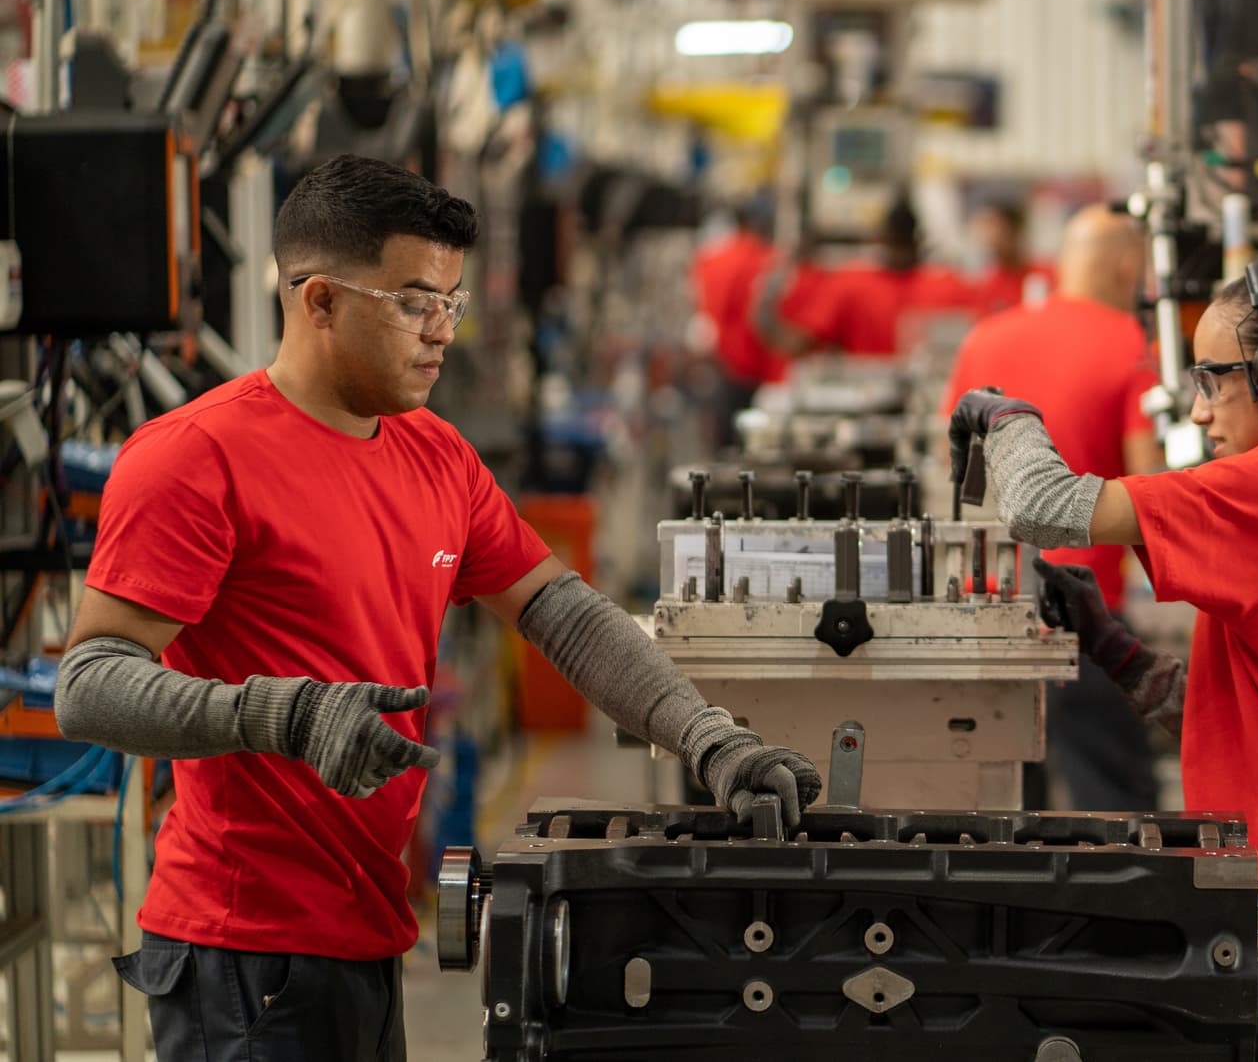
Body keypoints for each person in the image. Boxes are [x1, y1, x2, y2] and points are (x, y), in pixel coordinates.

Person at [53, 155, 821, 1062]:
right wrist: (282, 714)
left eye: (451, 302)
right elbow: (89, 684)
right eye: (414, 302)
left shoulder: (437, 455)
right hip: (243, 951)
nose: (443, 331)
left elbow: (563, 614)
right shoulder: (194, 457)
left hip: (371, 925)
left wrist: (707, 737)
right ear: (319, 301)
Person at [949, 260, 1258, 1062]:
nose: (1197, 409)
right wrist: (1113, 648)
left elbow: (1042, 505)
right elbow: (1254, 721)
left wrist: (1006, 412)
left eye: (1214, 379)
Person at [944, 205, 1164, 811]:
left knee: (1006, 809)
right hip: (1081, 615)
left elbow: (955, 469)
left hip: (985, 608)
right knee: (1118, 805)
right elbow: (1153, 492)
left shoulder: (986, 336)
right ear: (1128, 266)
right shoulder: (1133, 346)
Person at [758, 193, 980, 359]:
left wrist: (764, 312)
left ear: (881, 238)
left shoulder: (851, 283)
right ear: (919, 240)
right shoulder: (950, 284)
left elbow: (797, 345)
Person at [690, 195, 785, 443]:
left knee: (729, 441)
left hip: (730, 367)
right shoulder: (774, 259)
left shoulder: (713, 261)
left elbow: (708, 315)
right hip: (769, 370)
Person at [966, 199, 1053, 313]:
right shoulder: (986, 285)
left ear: (1014, 229)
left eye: (996, 228)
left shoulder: (1047, 274)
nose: (990, 237)